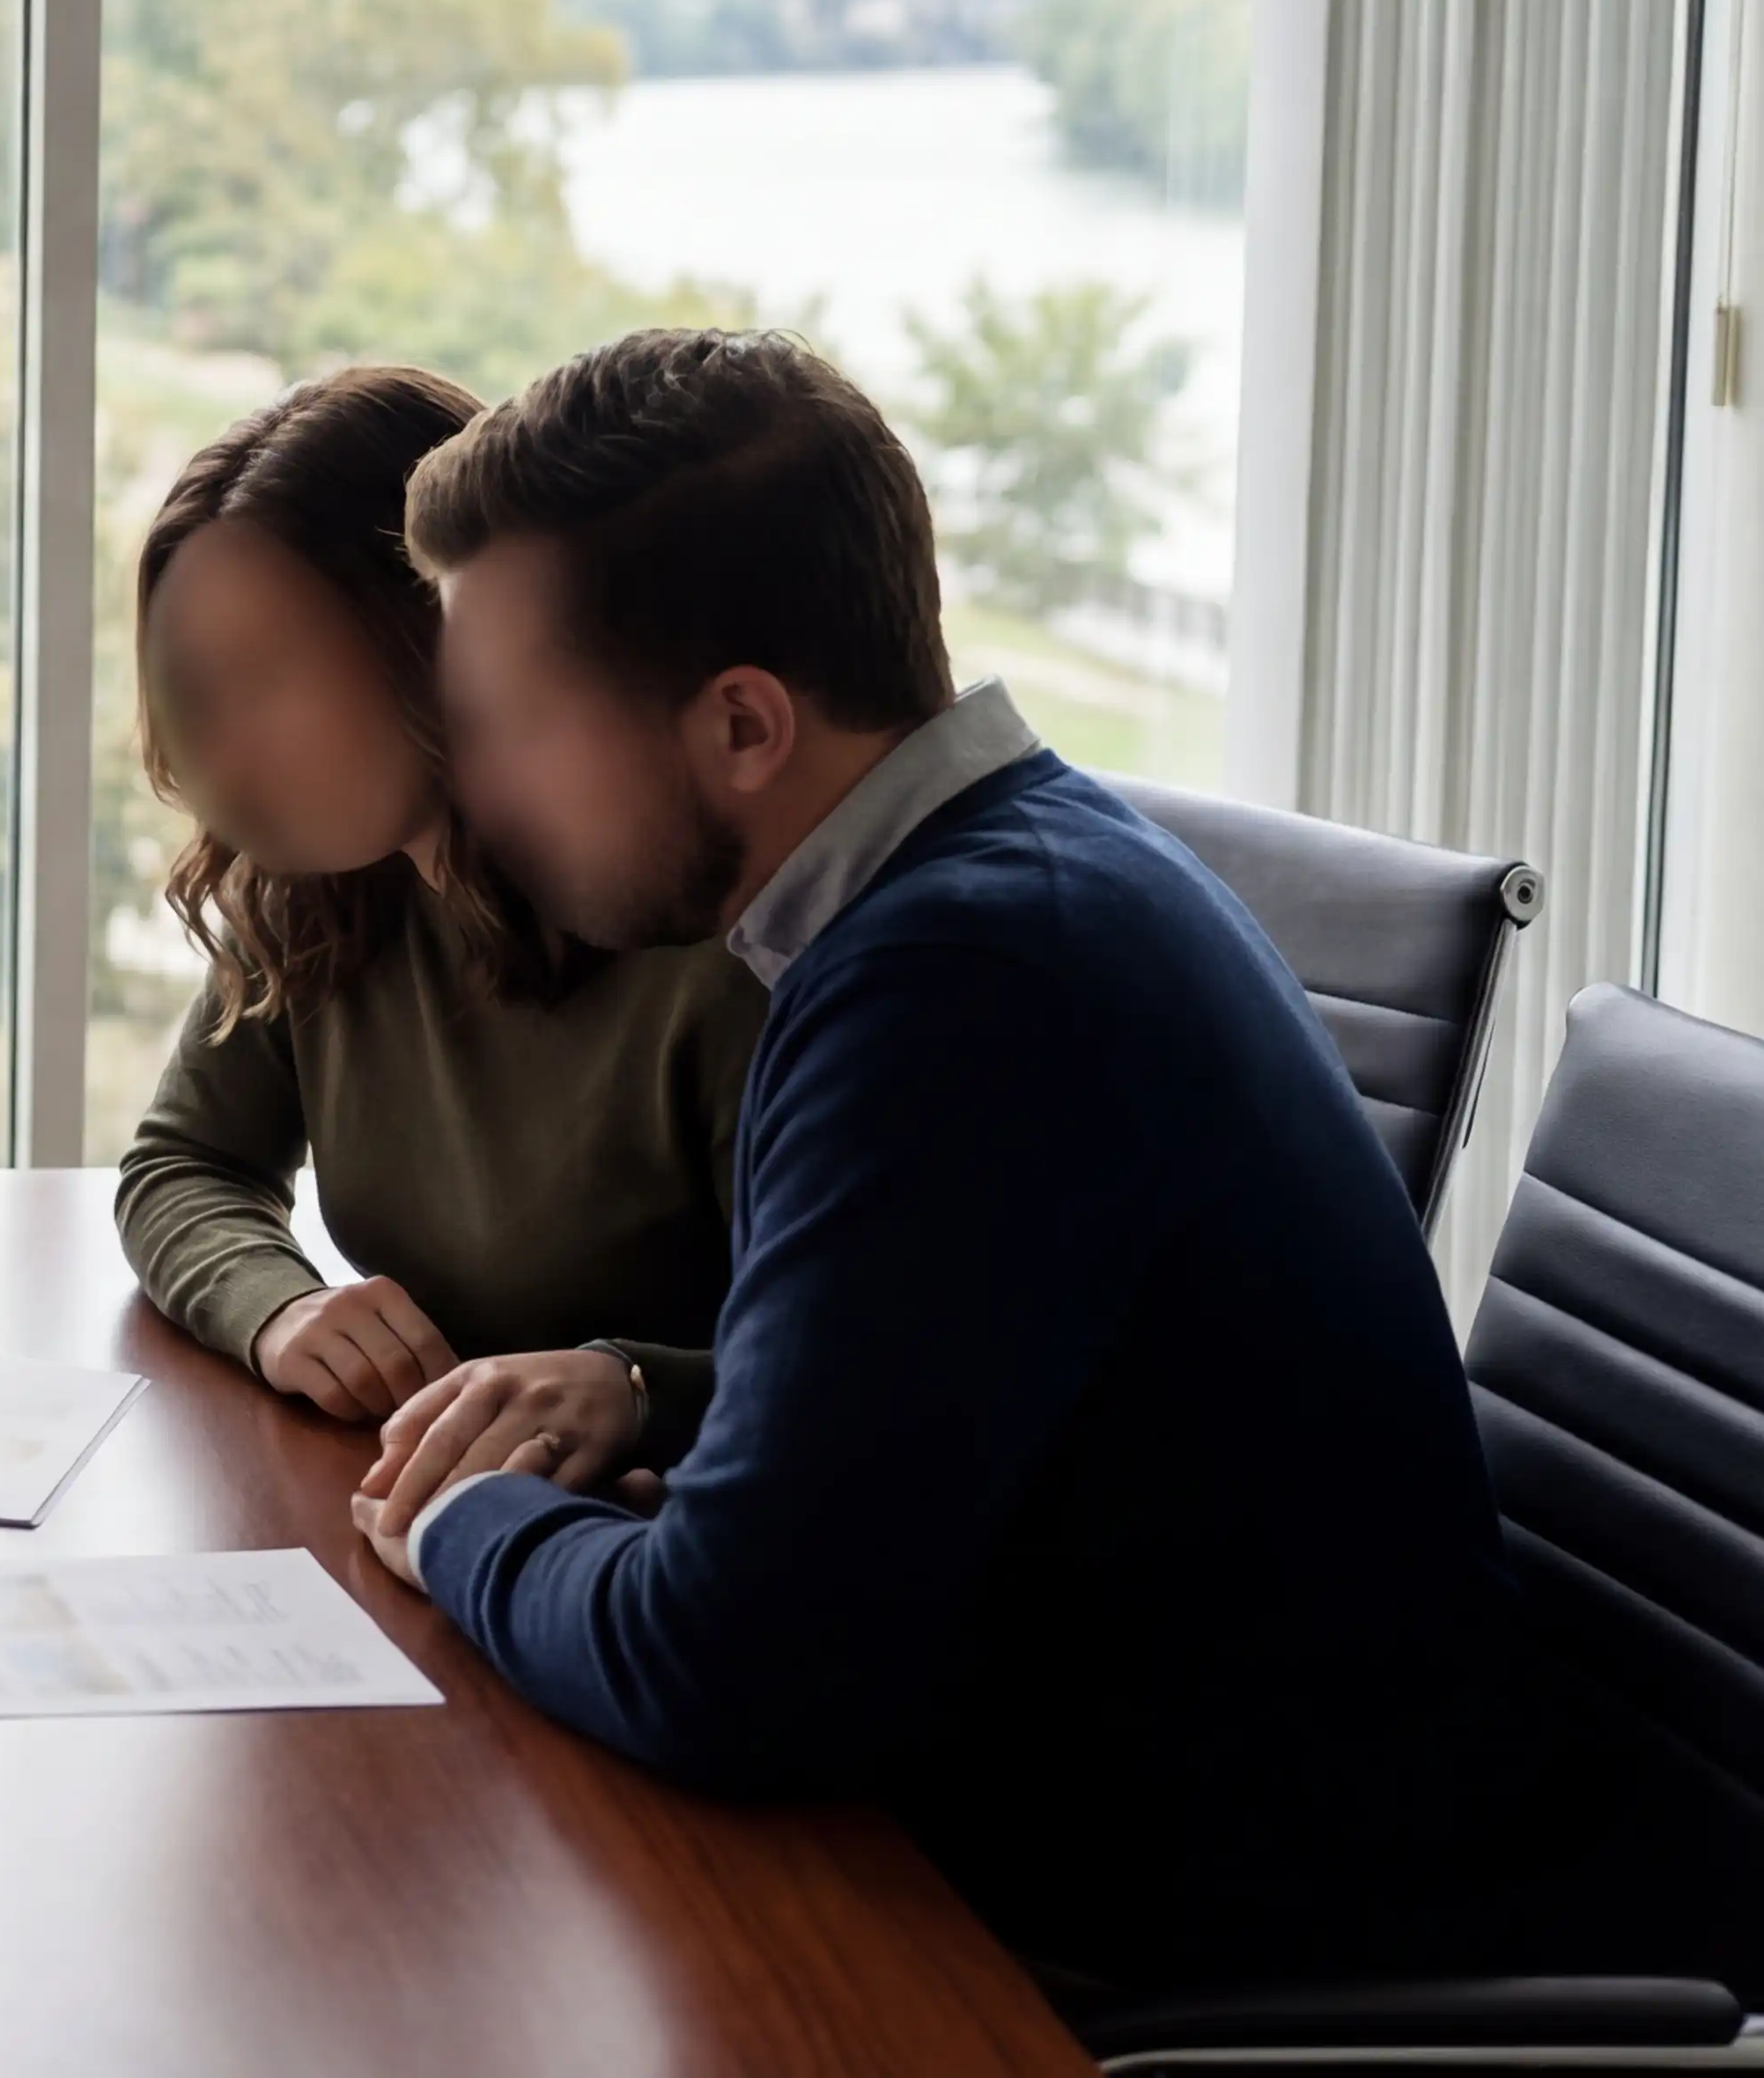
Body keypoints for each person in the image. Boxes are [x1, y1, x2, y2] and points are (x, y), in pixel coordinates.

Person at [358, 325, 1757, 1988]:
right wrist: (662, 1415)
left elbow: (718, 1671)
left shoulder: (949, 988)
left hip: (1207, 1932)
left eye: (516, 723)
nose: (485, 791)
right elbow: (932, 1416)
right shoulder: (1013, 866)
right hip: (1172, 1789)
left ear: (740, 724)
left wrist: (462, 1526)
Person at [115, 366, 763, 1463]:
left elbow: (874, 1367)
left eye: (265, 681)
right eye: (193, 694)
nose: (217, 758)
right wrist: (273, 1308)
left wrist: (638, 1389)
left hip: (664, 1543)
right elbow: (185, 1163)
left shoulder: (699, 932)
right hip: (437, 1506)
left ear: (442, 631)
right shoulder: (316, 891)